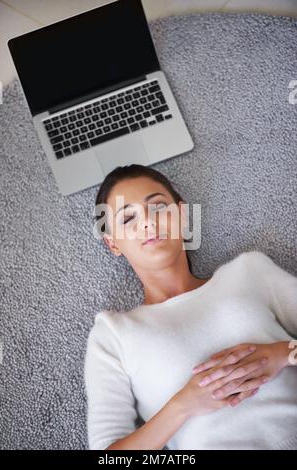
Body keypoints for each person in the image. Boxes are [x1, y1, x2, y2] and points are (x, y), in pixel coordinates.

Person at [84, 164, 297, 450]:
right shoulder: (112, 334)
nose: (148, 223)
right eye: (128, 218)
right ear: (113, 244)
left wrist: (283, 353)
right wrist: (182, 405)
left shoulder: (249, 271)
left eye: (158, 207)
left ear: (183, 215)